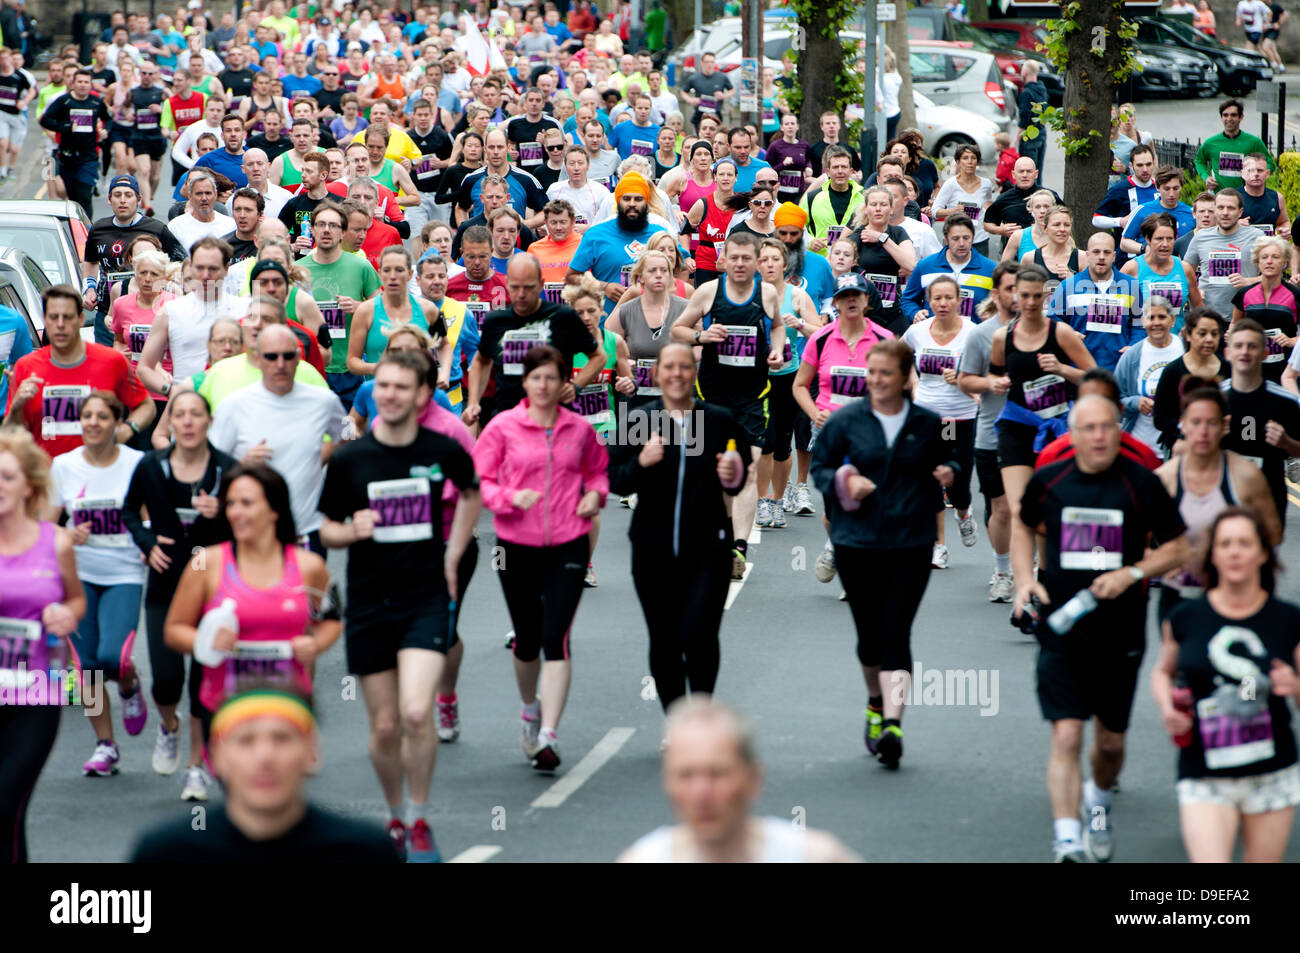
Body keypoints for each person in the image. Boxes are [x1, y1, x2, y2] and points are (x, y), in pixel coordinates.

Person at [1012, 393, 1189, 862]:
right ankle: (1067, 837)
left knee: (1109, 745)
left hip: (1120, 630)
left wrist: (1132, 573)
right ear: (1072, 435)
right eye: (1088, 428)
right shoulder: (1050, 481)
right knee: (1067, 735)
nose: (1098, 437)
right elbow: (1023, 524)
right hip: (1063, 627)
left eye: (1107, 427)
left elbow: (1179, 547)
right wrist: (1026, 580)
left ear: (1118, 430)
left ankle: (1099, 799)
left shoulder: (1141, 484)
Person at [320, 350, 479, 862]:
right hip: (368, 602)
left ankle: (418, 817)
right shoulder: (350, 459)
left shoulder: (442, 447)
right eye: (382, 386)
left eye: (400, 387)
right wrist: (350, 530)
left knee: (415, 711)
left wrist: (454, 554)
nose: (388, 394)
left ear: (421, 395)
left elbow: (472, 493)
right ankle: (392, 815)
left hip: (425, 596)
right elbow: (324, 525)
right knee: (385, 726)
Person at [810, 336, 958, 767]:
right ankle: (876, 702)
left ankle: (892, 724)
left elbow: (955, 461)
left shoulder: (929, 423)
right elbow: (821, 466)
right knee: (870, 636)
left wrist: (952, 472)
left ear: (904, 377)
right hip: (856, 541)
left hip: (911, 541)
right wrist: (843, 482)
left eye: (885, 374)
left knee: (896, 631)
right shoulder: (847, 420)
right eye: (871, 373)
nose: (875, 380)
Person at [473, 344, 608, 771]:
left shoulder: (578, 429)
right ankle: (529, 709)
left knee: (556, 637)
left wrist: (594, 495)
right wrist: (511, 498)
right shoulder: (502, 427)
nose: (545, 385)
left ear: (565, 380)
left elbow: (598, 473)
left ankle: (549, 732)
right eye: (537, 378)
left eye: (553, 377)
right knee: (527, 639)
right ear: (525, 382)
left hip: (568, 541)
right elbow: (481, 480)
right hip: (515, 544)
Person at [1153, 507, 1300, 863]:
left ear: (1263, 553)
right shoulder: (1186, 618)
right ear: (1212, 555)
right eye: (1226, 544)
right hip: (1204, 768)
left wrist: (1293, 685)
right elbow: (1163, 671)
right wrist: (1167, 707)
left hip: (1270, 769)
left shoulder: (1288, 620)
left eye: (1245, 543)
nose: (1235, 552)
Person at [607, 341, 747, 703]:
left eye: (685, 367)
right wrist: (641, 463)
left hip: (708, 548)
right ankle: (676, 718)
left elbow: (739, 472)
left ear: (694, 373)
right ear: (655, 374)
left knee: (700, 634)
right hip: (652, 548)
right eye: (669, 367)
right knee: (665, 637)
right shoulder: (641, 420)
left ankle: (699, 713)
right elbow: (613, 478)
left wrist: (732, 474)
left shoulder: (717, 420)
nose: (677, 374)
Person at [162, 463, 340, 745]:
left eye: (246, 503)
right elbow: (173, 630)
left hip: (288, 706)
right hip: (226, 707)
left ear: (274, 509)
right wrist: (205, 639)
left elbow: (332, 618)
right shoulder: (205, 563)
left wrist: (315, 645)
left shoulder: (310, 566)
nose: (235, 512)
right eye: (230, 503)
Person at [130, 687, 397, 861]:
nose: (265, 757)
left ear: (312, 753)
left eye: (281, 738)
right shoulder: (166, 853)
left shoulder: (364, 852)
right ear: (217, 758)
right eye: (246, 741)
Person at [122, 388, 235, 801]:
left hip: (211, 583)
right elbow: (129, 511)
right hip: (166, 582)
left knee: (205, 683)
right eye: (179, 415)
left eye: (195, 415)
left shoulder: (227, 469)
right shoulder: (151, 466)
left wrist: (222, 511)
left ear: (208, 423)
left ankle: (196, 766)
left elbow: (249, 518)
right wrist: (146, 542)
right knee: (167, 681)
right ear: (170, 424)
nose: (187, 422)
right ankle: (168, 726)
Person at [618, 697, 861, 862]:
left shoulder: (812, 857)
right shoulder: (643, 859)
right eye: (685, 775)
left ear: (753, 779)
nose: (701, 793)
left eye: (717, 773)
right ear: (667, 783)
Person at [671, 232, 786, 578]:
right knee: (717, 473)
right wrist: (701, 337)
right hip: (711, 396)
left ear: (756, 261)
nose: (739, 264)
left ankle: (738, 547)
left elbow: (778, 327)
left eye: (746, 259)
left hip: (753, 394)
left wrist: (778, 350)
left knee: (748, 470)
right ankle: (721, 535)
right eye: (733, 258)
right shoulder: (708, 292)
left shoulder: (766, 293)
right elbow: (677, 329)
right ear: (724, 259)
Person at [46, 392, 146, 777]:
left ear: (116, 422)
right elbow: (46, 526)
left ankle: (128, 682)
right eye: (86, 416)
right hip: (80, 575)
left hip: (123, 572)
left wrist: (144, 541)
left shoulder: (138, 464)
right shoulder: (63, 466)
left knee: (113, 659)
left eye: (102, 417)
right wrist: (67, 537)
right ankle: (105, 746)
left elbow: (153, 516)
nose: (92, 423)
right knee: (86, 667)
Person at [0, 428, 85, 863]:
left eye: (7, 477)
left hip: (33, 692)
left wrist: (68, 614)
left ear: (29, 485)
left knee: (6, 808)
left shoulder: (56, 542)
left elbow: (76, 598)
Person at [1154, 384, 1278, 622]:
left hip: (1235, 596)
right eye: (1196, 422)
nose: (1203, 432)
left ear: (1225, 425)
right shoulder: (1164, 479)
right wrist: (1163, 562)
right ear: (1183, 424)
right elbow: (1138, 541)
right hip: (1180, 596)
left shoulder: (1247, 476)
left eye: (1211, 423)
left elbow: (1272, 535)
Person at [988, 266, 1095, 534]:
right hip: (1017, 425)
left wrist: (1063, 369)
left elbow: (1096, 378)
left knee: (1050, 509)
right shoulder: (1002, 337)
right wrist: (997, 383)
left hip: (1057, 427)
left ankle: (1045, 572)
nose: (1031, 303)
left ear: (1045, 297)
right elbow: (994, 374)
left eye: (1037, 296)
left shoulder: (1061, 333)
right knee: (1021, 510)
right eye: (1024, 296)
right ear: (1015, 297)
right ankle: (1021, 575)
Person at [5, 286, 155, 460]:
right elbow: (9, 434)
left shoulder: (111, 361)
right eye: (54, 317)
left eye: (67, 317)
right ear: (45, 320)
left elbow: (146, 406)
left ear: (81, 319)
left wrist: (127, 430)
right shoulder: (26, 367)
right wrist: (17, 405)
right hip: (47, 477)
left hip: (98, 472)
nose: (60, 325)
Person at [465, 254, 602, 430]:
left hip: (553, 419)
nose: (521, 295)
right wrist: (473, 402)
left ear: (541, 284)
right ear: (506, 283)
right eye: (515, 287)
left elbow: (598, 356)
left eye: (528, 288)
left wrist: (576, 386)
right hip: (509, 418)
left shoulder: (563, 317)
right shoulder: (495, 320)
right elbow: (481, 360)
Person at [903, 276, 979, 569]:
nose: (943, 303)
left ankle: (963, 512)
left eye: (949, 298)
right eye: (937, 298)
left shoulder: (972, 333)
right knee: (932, 479)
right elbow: (898, 355)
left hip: (960, 416)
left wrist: (962, 379)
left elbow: (987, 370)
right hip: (927, 415)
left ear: (960, 300)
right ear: (929, 301)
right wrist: (912, 380)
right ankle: (938, 545)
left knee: (958, 481)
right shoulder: (918, 331)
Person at [957, 262, 1020, 602]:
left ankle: (1029, 565)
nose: (1017, 296)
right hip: (992, 433)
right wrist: (990, 382)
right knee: (1002, 508)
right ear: (996, 295)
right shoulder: (982, 335)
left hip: (1034, 434)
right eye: (1010, 289)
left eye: (1021, 289)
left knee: (1027, 507)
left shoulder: (1045, 331)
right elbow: (965, 379)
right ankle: (1003, 571)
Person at [753, 239, 822, 530]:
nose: (769, 264)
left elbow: (821, 332)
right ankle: (760, 501)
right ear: (758, 265)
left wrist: (800, 325)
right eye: (764, 259)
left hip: (789, 378)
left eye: (774, 259)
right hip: (757, 378)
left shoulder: (797, 296)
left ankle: (778, 501)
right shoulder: (750, 295)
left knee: (782, 445)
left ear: (784, 264)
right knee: (763, 442)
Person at [136, 238, 249, 400]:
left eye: (213, 269)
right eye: (199, 268)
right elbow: (145, 368)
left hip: (235, 401)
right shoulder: (170, 311)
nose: (205, 275)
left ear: (226, 269)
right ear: (191, 266)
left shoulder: (245, 309)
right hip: (188, 405)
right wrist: (171, 391)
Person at [299, 202, 382, 410]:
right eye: (321, 224)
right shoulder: (297, 270)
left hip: (350, 369)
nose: (326, 230)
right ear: (313, 229)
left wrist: (360, 307)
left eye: (333, 226)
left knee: (349, 433)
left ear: (343, 232)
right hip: (312, 368)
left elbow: (384, 307)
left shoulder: (361, 267)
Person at [1218, 318, 1300, 528]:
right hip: (1222, 495)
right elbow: (1186, 447)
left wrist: (1286, 442)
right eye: (1239, 346)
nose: (1245, 352)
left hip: (1268, 496)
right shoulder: (1213, 400)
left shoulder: (1286, 401)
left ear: (1264, 354)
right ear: (1228, 353)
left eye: (1252, 346)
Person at [567, 170, 667, 313]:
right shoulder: (595, 235)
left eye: (638, 199)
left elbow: (681, 268)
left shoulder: (660, 233)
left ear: (646, 202)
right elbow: (572, 277)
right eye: (626, 199)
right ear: (618, 201)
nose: (632, 204)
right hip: (608, 323)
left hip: (652, 322)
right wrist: (603, 287)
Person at [1047, 232, 1143, 373]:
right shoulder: (1068, 286)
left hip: (1118, 369)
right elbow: (1052, 322)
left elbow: (1139, 324)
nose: (1101, 257)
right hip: (1079, 371)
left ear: (1114, 256)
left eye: (1107, 252)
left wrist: (1133, 346)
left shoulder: (1131, 285)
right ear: (1087, 255)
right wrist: (1068, 334)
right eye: (1096, 252)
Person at [346, 246, 445, 378]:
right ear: (380, 274)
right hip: (380, 393)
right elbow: (352, 362)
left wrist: (444, 373)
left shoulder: (428, 309)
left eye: (399, 270)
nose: (393, 276)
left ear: (410, 274)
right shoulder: (365, 311)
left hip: (417, 393)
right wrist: (381, 368)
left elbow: (444, 345)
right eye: (387, 270)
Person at [37, 68, 112, 219]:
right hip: (67, 156)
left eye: (86, 82)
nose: (83, 85)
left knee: (84, 194)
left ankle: (87, 232)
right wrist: (65, 126)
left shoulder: (96, 102)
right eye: (80, 82)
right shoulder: (64, 101)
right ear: (73, 83)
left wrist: (105, 130)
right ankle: (75, 228)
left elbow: (108, 119)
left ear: (91, 84)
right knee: (72, 197)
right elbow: (45, 120)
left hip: (89, 156)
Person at [1152, 307, 1227, 455]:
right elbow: (1160, 418)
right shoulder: (1173, 371)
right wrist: (1190, 428)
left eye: (1214, 334)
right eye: (1202, 333)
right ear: (1188, 334)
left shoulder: (1228, 370)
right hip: (1181, 448)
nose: (1209, 339)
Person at [1116, 296, 1186, 454]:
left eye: (1162, 317)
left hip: (1180, 449)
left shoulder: (1186, 350)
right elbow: (1114, 400)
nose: (1156, 323)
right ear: (1143, 321)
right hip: (1140, 449)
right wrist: (1135, 402)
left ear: (1173, 320)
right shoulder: (1131, 357)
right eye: (1150, 317)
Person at [901, 215, 997, 325]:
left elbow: (1000, 305)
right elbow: (907, 300)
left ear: (973, 238)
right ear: (946, 239)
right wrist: (915, 313)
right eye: (955, 239)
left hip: (974, 337)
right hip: (934, 335)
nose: (961, 243)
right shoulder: (925, 266)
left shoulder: (990, 269)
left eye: (966, 238)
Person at [1231, 237, 1298, 382]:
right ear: (1258, 262)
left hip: (1286, 369)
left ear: (1284, 263)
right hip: (1251, 367)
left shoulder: (1295, 295)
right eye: (1264, 257)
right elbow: (1235, 324)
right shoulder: (1244, 294)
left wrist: (1292, 341)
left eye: (1275, 257)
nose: (1269, 261)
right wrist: (1232, 335)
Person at [1122, 212, 1202, 334]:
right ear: (1148, 239)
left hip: (1177, 342)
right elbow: (1118, 312)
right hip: (1143, 342)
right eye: (1159, 239)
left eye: (1169, 239)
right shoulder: (1132, 268)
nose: (1165, 244)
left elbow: (1198, 308)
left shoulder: (1184, 269)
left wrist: (1190, 330)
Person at [1195, 100, 1273, 194]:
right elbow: (1199, 160)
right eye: (1225, 115)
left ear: (1241, 117)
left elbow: (1269, 164)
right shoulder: (1211, 143)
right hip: (1219, 196)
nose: (1229, 118)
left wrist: (1257, 174)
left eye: (1233, 115)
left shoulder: (1253, 142)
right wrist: (1206, 177)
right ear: (1221, 117)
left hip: (1247, 197)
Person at [799, 146, 863, 258]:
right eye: (835, 167)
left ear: (851, 171)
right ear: (828, 171)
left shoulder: (863, 198)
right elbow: (798, 226)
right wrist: (810, 241)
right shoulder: (811, 198)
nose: (840, 171)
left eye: (844, 167)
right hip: (821, 260)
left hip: (854, 261)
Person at [932, 145, 994, 257]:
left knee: (979, 273)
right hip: (955, 238)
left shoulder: (986, 184)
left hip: (979, 237)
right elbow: (934, 211)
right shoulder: (950, 184)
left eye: (973, 158)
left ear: (977, 161)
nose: (969, 162)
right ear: (958, 162)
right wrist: (951, 211)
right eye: (965, 158)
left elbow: (989, 203)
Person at [1119, 167, 1194, 257]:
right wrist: (1145, 248)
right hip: (1149, 265)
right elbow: (1124, 242)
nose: (1171, 194)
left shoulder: (1191, 213)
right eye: (1166, 189)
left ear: (1181, 187)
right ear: (1157, 187)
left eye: (1175, 188)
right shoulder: (1142, 210)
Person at [985, 159, 1059, 243]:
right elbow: (987, 223)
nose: (1025, 175)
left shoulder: (1050, 196)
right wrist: (1000, 230)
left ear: (1036, 174)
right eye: (1021, 171)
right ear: (1013, 174)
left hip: (1046, 248)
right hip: (1013, 250)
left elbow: (1065, 219)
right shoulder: (1003, 199)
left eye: (1029, 171)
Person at [1239, 152, 1291, 239]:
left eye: (1260, 170)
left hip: (1269, 247)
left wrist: (1283, 231)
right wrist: (1234, 225)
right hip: (1241, 247)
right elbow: (1217, 225)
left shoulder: (1277, 197)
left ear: (1267, 174)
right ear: (1242, 173)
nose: (1256, 174)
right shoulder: (1233, 197)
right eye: (1251, 170)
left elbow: (1283, 222)